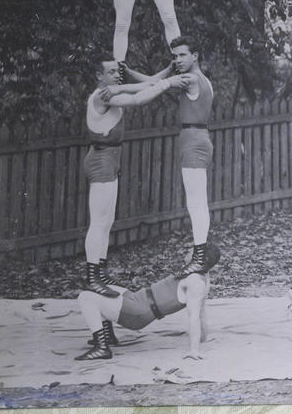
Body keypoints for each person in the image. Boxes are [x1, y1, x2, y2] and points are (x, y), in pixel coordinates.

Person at [82, 56, 188, 297]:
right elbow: (138, 99)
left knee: (107, 221)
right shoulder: (103, 96)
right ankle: (92, 278)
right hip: (101, 160)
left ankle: (100, 272)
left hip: (110, 159)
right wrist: (168, 83)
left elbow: (147, 84)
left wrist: (167, 70)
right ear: (99, 76)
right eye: (110, 72)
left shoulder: (113, 90)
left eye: (117, 71)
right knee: (98, 222)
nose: (116, 75)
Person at [123, 36, 214, 276]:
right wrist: (131, 72)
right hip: (196, 138)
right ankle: (201, 253)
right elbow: (155, 81)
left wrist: (120, 91)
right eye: (175, 56)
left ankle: (200, 257)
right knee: (197, 201)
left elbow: (154, 87)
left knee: (196, 202)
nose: (178, 60)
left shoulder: (190, 79)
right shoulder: (202, 79)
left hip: (193, 141)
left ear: (195, 56)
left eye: (183, 55)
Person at [74, 243, 221, 360]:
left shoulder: (195, 282)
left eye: (193, 252)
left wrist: (194, 350)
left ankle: (102, 348)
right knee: (102, 287)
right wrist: (203, 337)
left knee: (85, 297)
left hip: (139, 312)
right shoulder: (200, 274)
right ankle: (108, 337)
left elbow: (196, 316)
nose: (188, 251)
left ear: (202, 260)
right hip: (138, 299)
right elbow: (202, 310)